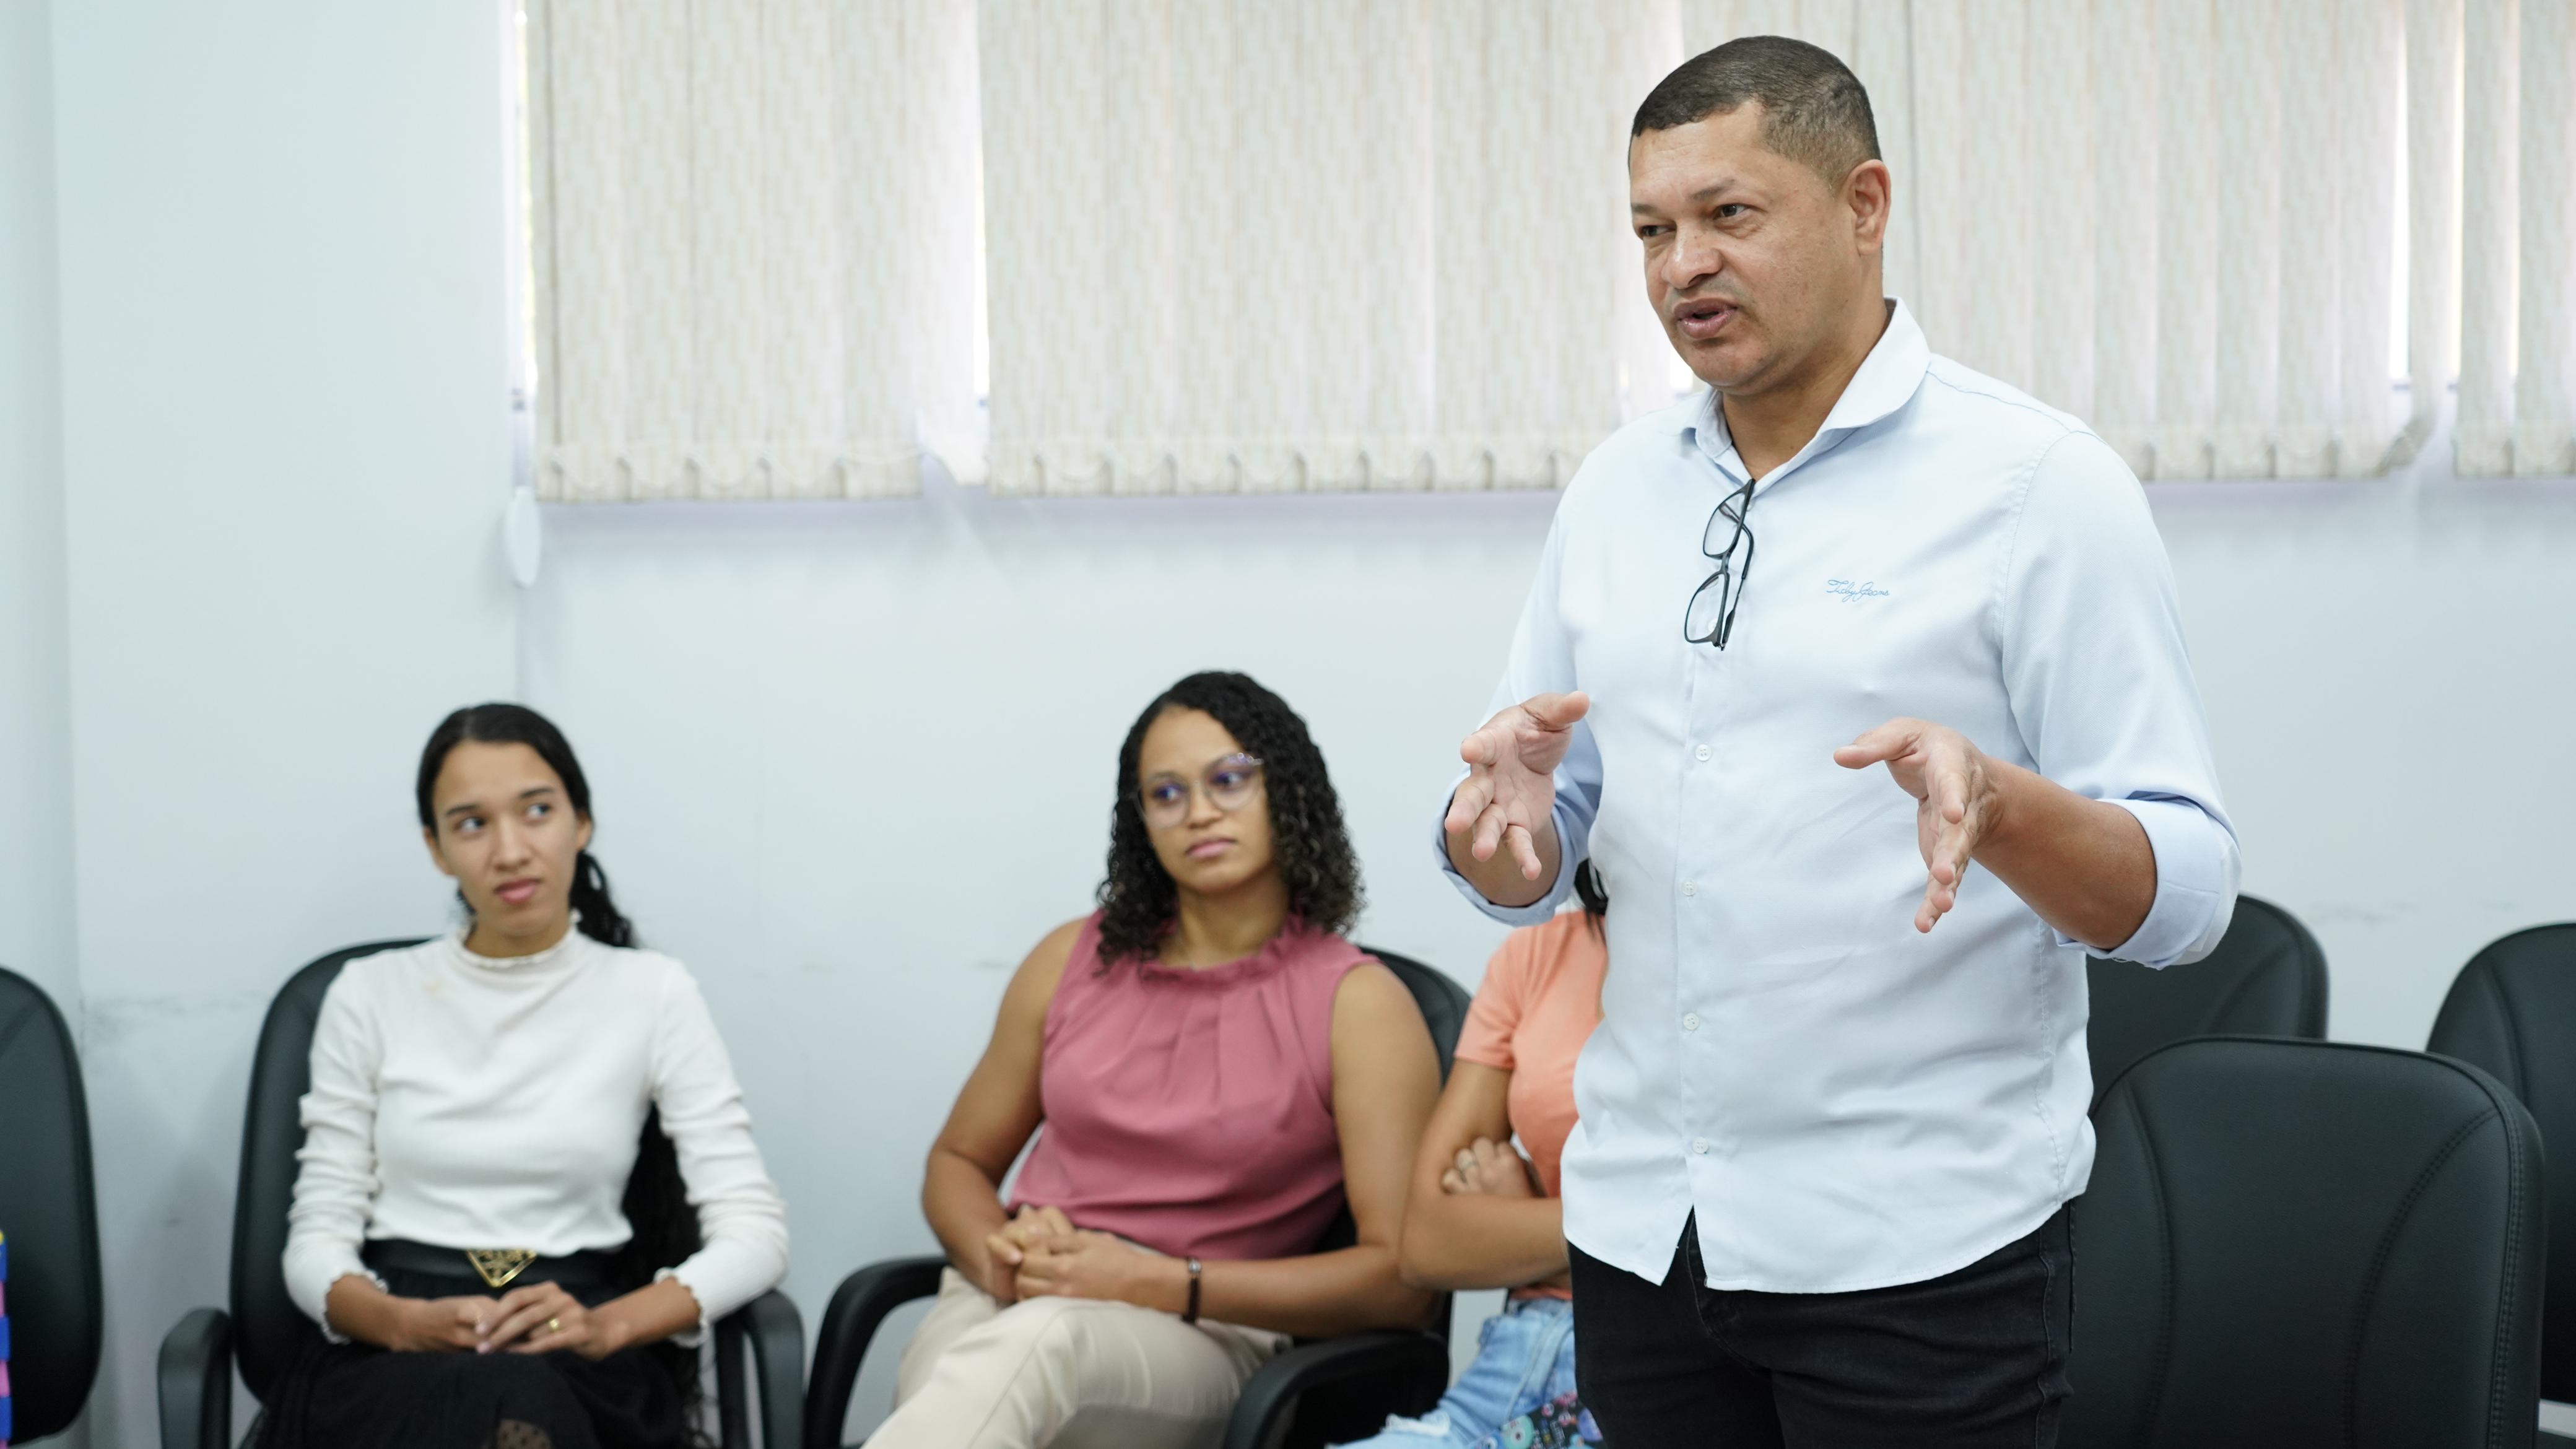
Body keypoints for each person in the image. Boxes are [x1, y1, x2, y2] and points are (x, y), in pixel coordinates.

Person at [1434, 36, 2237, 1449]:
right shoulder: (1618, 490)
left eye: (1728, 215)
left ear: (1864, 203)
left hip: (1920, 1248)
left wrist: (1997, 800)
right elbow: (1543, 835)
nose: (1681, 264)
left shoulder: (2036, 486)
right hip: (1644, 1235)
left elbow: (2185, 891)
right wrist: (1497, 846)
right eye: (1650, 229)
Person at [877, 671, 1442, 1449]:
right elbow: (957, 1161)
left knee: (1033, 1350)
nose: (1199, 811)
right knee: (970, 1368)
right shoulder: (1069, 958)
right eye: (1166, 793)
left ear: (1291, 792)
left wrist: (1152, 1281)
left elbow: (1400, 1283)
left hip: (1204, 1328)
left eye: (1229, 780)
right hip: (1015, 1290)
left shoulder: (1357, 1004)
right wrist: (1002, 1254)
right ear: (1139, 820)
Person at [266, 703, 789, 1449]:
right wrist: (403, 1325)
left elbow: (755, 1234)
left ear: (581, 822)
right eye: (472, 823)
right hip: (395, 1343)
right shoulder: (370, 992)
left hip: (575, 1340)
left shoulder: (654, 992)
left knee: (521, 1402)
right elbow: (316, 1240)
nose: (510, 850)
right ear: (437, 848)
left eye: (536, 811)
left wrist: (609, 1325)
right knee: (486, 1406)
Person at [1336, 864, 1611, 1449]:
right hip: (1502, 1372)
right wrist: (1609, 1245)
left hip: (1642, 1378)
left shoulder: (1756, 968)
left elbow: (1738, 1233)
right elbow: (1427, 1244)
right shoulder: (1534, 954)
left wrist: (1519, 1220)